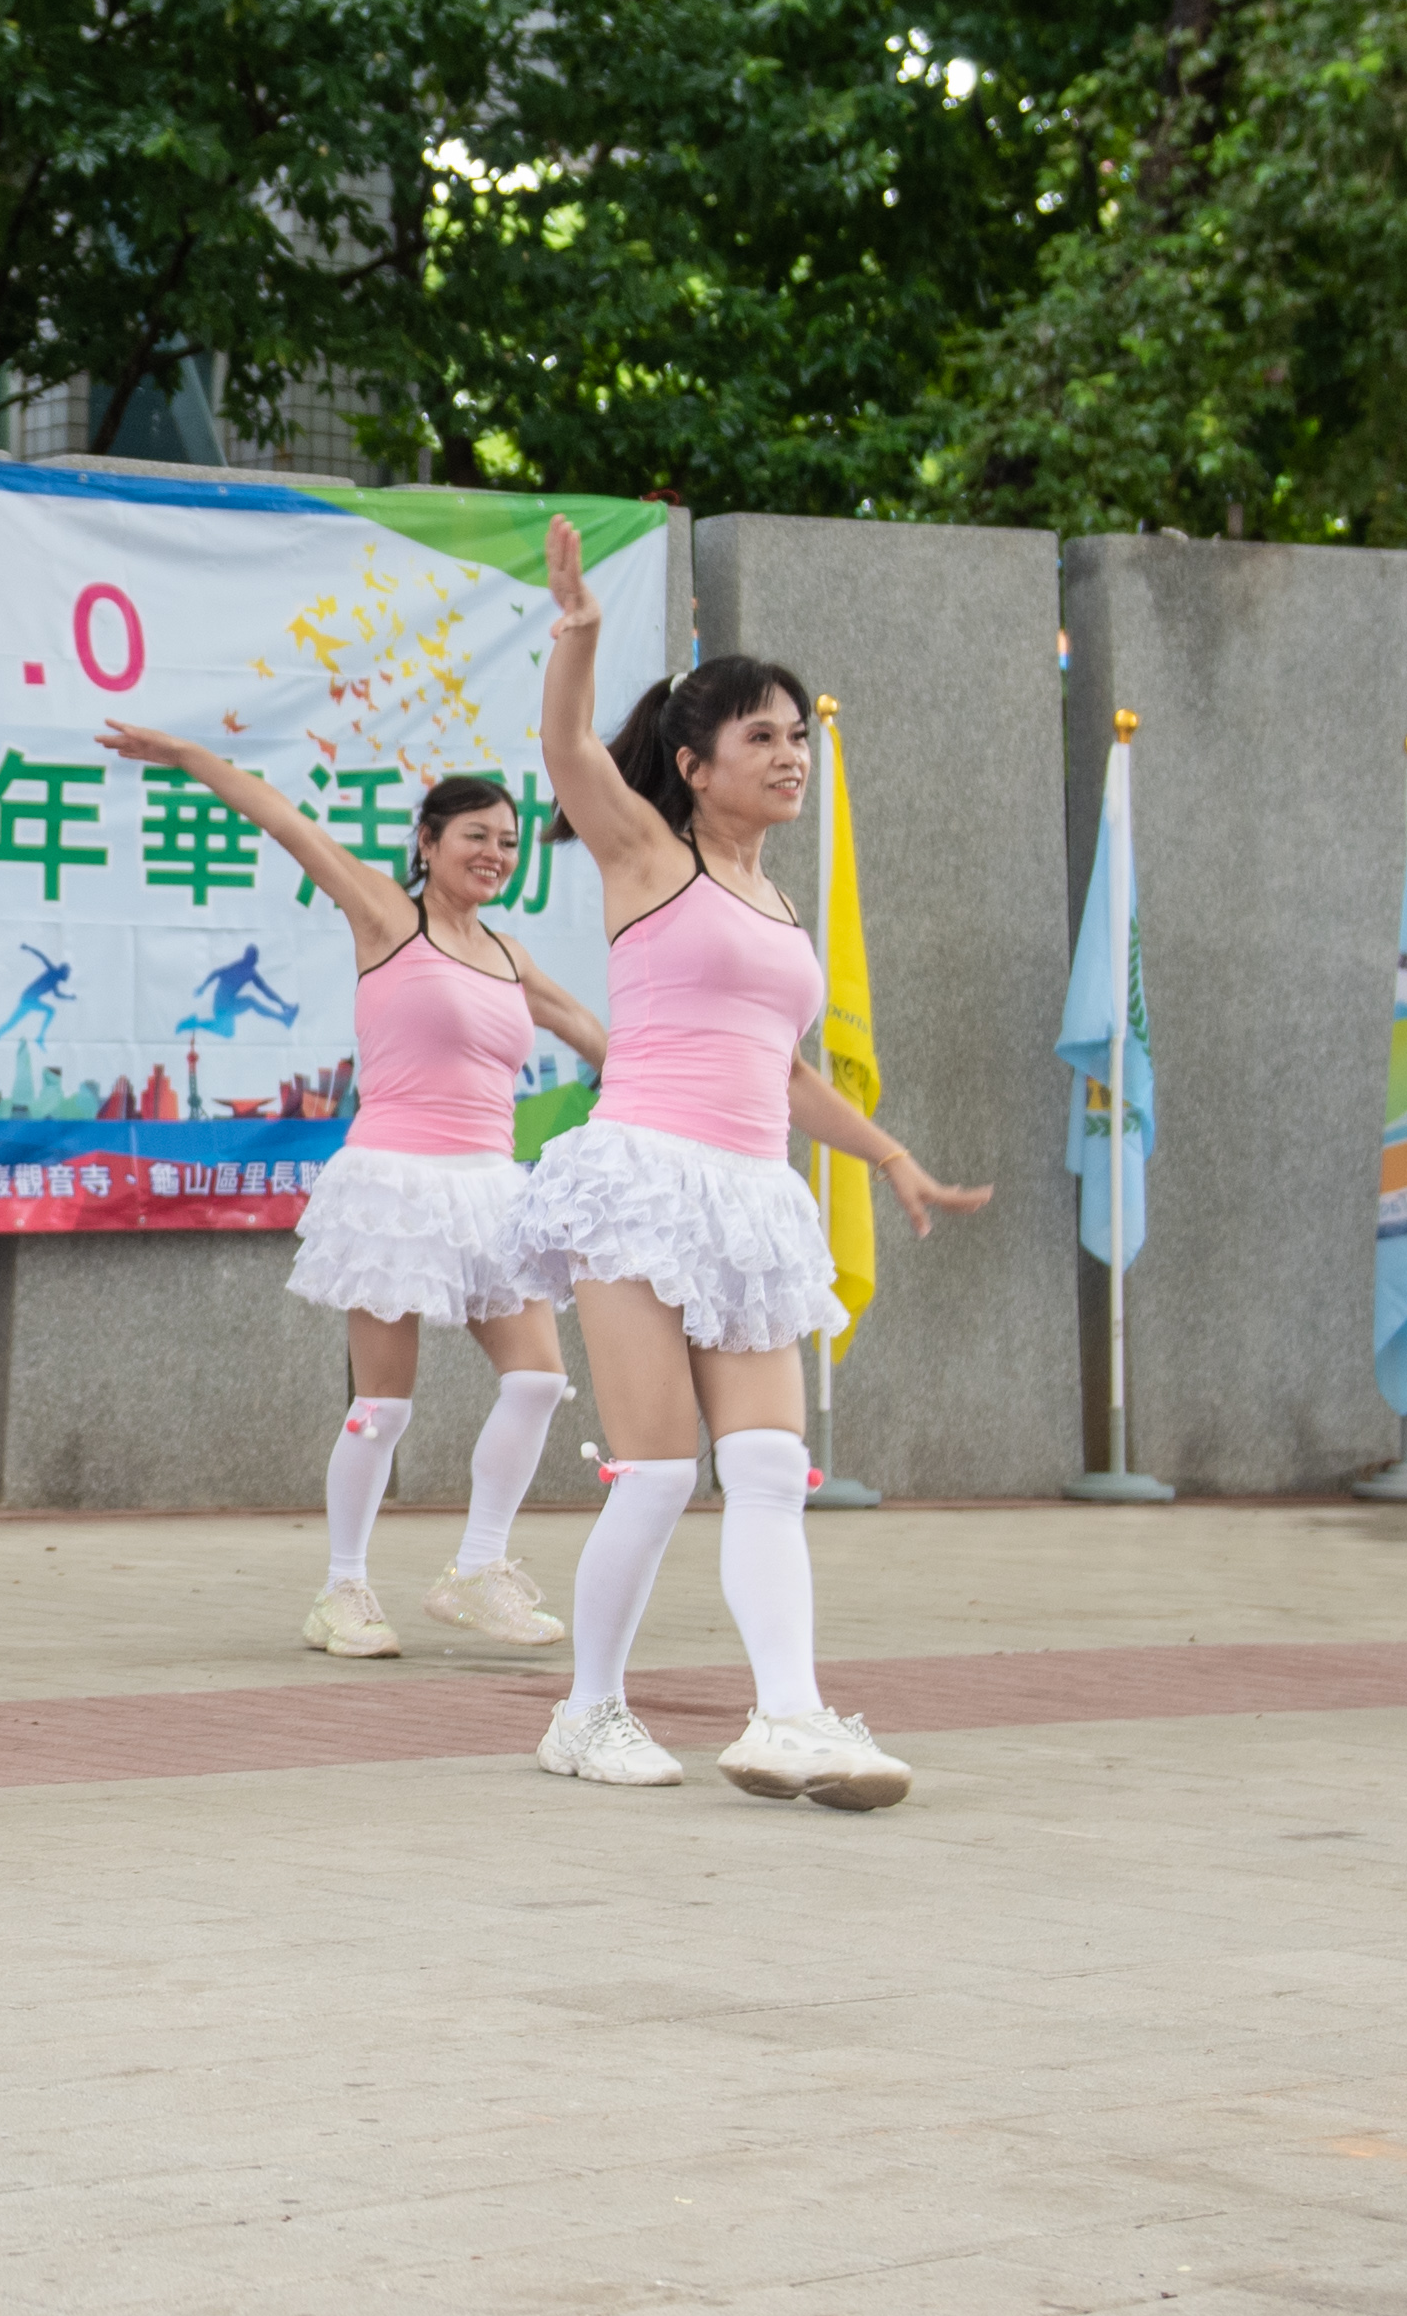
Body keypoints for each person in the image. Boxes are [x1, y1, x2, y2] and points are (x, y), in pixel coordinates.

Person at [510, 515, 990, 1809]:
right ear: (693, 763)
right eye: (760, 736)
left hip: (745, 1193)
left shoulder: (779, 904)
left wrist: (891, 1155)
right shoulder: (649, 858)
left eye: (797, 734)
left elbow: (779, 1070)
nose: (788, 754)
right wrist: (579, 634)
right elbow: (565, 752)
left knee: (772, 1465)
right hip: (639, 1180)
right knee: (661, 1469)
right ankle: (587, 1711)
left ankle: (786, 1712)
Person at [98, 735, 606, 1660]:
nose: (493, 854)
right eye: (474, 836)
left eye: (506, 842)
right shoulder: (385, 917)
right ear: (427, 840)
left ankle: (477, 1571)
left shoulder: (506, 953)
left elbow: (588, 1030)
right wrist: (182, 754)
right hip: (395, 1187)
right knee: (384, 1405)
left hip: (491, 1189)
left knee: (537, 1379)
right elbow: (285, 822)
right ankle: (341, 1591)